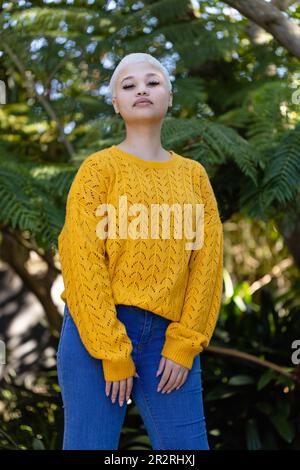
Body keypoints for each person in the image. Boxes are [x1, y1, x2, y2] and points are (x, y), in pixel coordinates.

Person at [56, 52, 224, 450]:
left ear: (169, 97)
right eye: (128, 86)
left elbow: (207, 263)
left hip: (170, 339)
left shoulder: (194, 176)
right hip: (95, 336)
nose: (142, 89)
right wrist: (111, 348)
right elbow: (81, 259)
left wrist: (185, 343)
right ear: (116, 103)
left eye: (153, 81)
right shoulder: (99, 170)